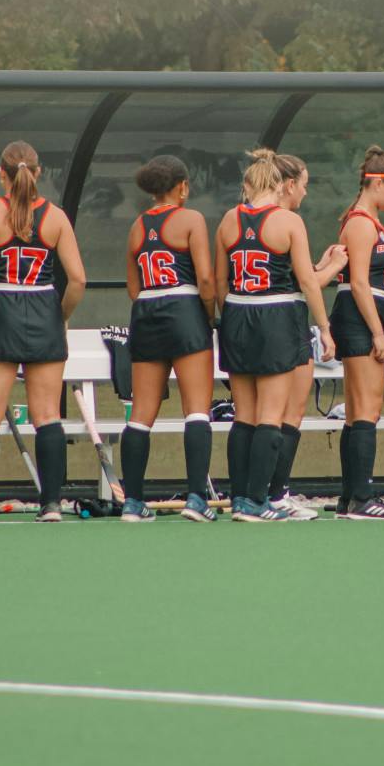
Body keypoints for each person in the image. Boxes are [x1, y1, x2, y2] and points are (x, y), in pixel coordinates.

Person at [0, 141, 87, 523]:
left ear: (2, 174)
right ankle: (51, 504)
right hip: (43, 308)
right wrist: (59, 316)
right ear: (39, 172)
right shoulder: (56, 217)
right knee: (47, 413)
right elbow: (78, 279)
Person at [215, 149, 340, 523]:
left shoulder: (227, 219)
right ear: (278, 183)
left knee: (245, 415)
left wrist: (234, 316)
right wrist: (325, 327)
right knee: (271, 413)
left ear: (249, 185)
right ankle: (258, 502)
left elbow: (220, 283)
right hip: (277, 316)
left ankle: (240, 499)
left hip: (236, 313)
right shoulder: (287, 221)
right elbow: (306, 281)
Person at [121, 155, 218, 523]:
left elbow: (133, 286)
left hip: (146, 312)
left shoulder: (136, 225)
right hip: (185, 308)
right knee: (196, 408)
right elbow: (206, 279)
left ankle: (133, 502)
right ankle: (196, 499)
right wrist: (208, 314)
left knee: (142, 413)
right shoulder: (191, 219)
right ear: (181, 187)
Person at [332, 146, 384, 520]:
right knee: (367, 410)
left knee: (358, 412)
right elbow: (360, 284)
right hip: (359, 317)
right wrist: (379, 335)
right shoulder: (361, 222)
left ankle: (350, 498)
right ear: (376, 182)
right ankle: (362, 499)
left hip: (363, 315)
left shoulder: (367, 220)